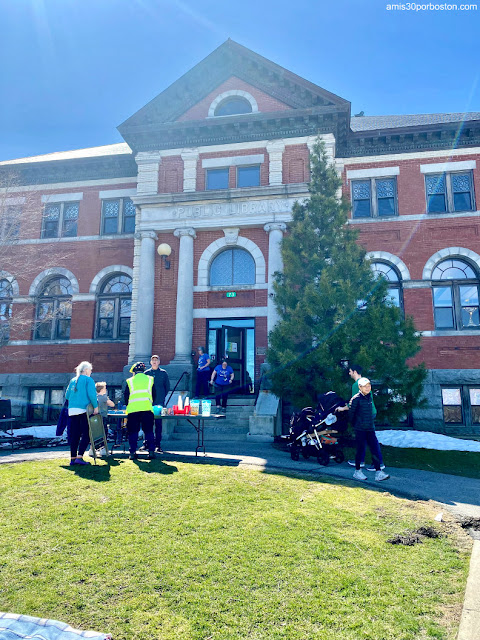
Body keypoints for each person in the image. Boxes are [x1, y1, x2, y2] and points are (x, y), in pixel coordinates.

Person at [346, 364, 385, 471]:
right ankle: (361, 461)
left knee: (369, 439)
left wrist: (342, 408)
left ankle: (378, 463)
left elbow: (354, 402)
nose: (349, 373)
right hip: (370, 412)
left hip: (364, 415)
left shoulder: (356, 385)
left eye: (350, 371)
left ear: (354, 372)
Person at [349, 377, 389, 482]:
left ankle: (378, 472)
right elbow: (351, 415)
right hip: (360, 429)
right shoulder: (356, 399)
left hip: (370, 428)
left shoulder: (369, 397)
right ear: (360, 387)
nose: (367, 388)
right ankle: (357, 471)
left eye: (369, 386)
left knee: (374, 449)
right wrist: (356, 426)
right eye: (365, 386)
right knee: (360, 449)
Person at [65, 361, 99, 466]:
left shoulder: (73, 380)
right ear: (86, 370)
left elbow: (67, 396)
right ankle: (80, 457)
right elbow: (92, 394)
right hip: (84, 410)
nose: (91, 372)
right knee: (86, 434)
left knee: (75, 435)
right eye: (90, 370)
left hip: (72, 410)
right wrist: (96, 406)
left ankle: (73, 458)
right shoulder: (88, 380)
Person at [124, 361, 157, 460]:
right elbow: (154, 394)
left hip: (133, 410)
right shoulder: (150, 379)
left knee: (133, 432)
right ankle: (151, 452)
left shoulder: (130, 381)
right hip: (147, 408)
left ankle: (132, 453)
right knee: (149, 431)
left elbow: (126, 396)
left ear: (134, 371)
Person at [145, 355, 170, 453]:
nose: (154, 362)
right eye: (153, 360)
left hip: (159, 402)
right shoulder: (146, 373)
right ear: (150, 362)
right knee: (147, 424)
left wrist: (161, 397)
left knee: (158, 424)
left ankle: (157, 445)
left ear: (159, 362)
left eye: (156, 360)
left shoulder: (163, 373)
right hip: (148, 402)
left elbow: (167, 387)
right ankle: (147, 443)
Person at [90, 382, 115, 456]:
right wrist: (107, 398)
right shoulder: (103, 397)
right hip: (102, 417)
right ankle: (103, 449)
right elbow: (112, 404)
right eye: (104, 388)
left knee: (95, 433)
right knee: (104, 433)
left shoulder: (95, 397)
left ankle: (92, 449)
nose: (106, 390)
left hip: (94, 418)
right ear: (101, 390)